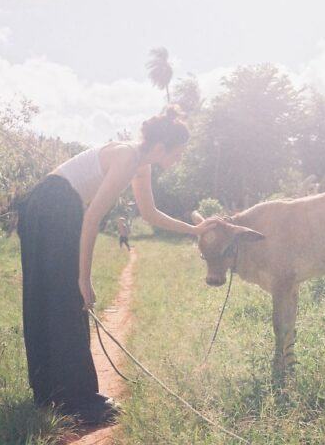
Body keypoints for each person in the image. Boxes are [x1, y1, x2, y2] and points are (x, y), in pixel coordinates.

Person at [16, 106, 216, 426]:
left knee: (54, 299)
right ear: (161, 148)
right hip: (53, 204)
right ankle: (77, 401)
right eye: (178, 153)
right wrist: (84, 278)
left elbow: (150, 214)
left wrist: (194, 230)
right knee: (67, 299)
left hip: (50, 205)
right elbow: (92, 218)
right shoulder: (127, 159)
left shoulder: (141, 167)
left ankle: (55, 393)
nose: (179, 159)